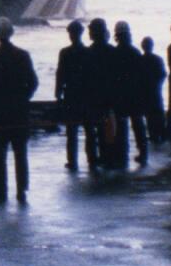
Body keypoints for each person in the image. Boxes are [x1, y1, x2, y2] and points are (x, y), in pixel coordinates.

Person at [0, 17, 38, 204]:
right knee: (20, 153)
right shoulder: (23, 55)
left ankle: (0, 190)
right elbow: (33, 82)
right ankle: (22, 190)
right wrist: (24, 98)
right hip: (19, 112)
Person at [55, 20, 97, 172]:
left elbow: (60, 74)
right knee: (89, 129)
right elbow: (93, 76)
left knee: (71, 130)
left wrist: (58, 93)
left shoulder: (65, 52)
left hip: (71, 94)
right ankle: (92, 159)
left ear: (70, 34)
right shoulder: (88, 52)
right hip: (86, 95)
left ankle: (72, 161)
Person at [111, 21, 148, 167]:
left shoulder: (114, 53)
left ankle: (122, 155)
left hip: (120, 96)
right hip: (135, 95)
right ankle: (143, 154)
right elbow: (142, 75)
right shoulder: (135, 52)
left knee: (121, 127)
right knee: (138, 125)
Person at [86, 18, 116, 169]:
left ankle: (93, 160)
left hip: (92, 98)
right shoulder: (112, 51)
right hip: (108, 98)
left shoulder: (88, 53)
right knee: (108, 131)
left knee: (91, 131)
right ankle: (108, 158)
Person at [140, 37, 167, 144]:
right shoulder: (158, 59)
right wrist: (158, 84)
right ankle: (162, 134)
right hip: (155, 89)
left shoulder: (140, 60)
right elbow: (163, 74)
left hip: (146, 91)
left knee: (149, 114)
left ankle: (153, 135)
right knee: (158, 112)